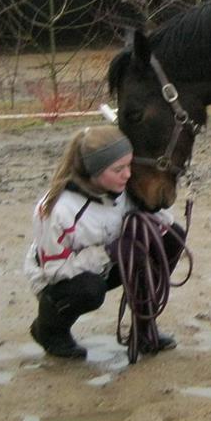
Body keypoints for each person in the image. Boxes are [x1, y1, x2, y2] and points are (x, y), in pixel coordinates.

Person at [24, 125, 184, 359]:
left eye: (129, 165)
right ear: (93, 171)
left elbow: (162, 224)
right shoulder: (56, 209)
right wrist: (110, 252)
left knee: (171, 236)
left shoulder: (125, 187)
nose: (128, 174)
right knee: (90, 290)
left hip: (110, 262)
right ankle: (49, 330)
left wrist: (152, 216)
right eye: (118, 169)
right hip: (60, 277)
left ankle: (144, 323)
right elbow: (55, 271)